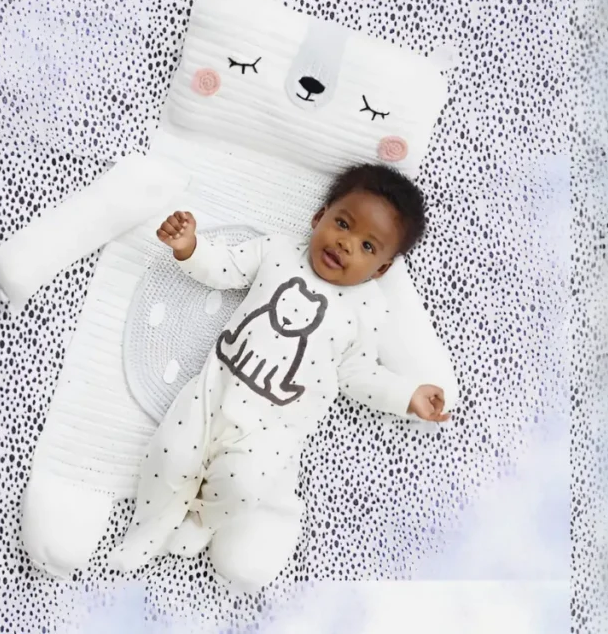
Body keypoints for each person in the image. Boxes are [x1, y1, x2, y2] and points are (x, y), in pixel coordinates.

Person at [110, 163, 449, 590]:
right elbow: (225, 267)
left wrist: (406, 394)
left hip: (272, 429)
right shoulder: (278, 250)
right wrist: (190, 247)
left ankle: (201, 521)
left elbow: (357, 374)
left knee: (242, 484)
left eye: (367, 246)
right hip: (213, 393)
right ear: (319, 217)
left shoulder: (367, 310)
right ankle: (148, 526)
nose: (345, 243)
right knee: (170, 455)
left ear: (381, 269)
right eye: (342, 224)